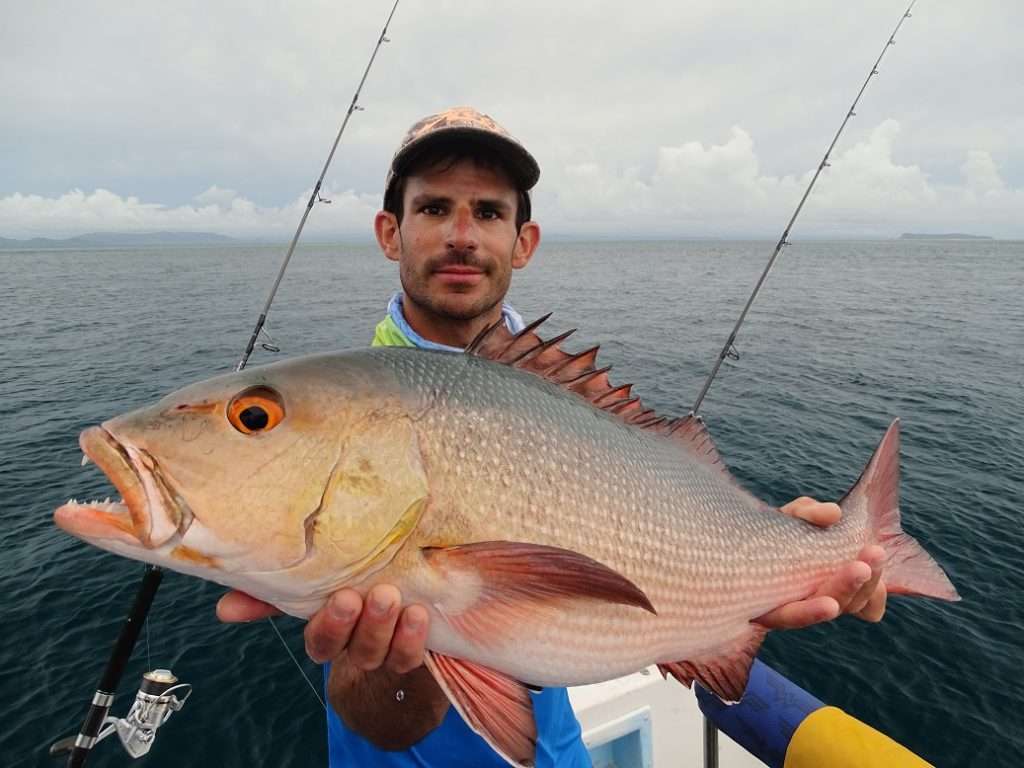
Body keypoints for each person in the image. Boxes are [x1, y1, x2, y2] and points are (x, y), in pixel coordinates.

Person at [217, 107, 888, 766]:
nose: (461, 234)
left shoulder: (558, 405)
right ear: (389, 232)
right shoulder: (344, 401)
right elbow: (385, 721)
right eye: (432, 208)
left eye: (488, 212)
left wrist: (797, 548)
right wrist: (380, 660)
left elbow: (675, 522)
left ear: (523, 241)